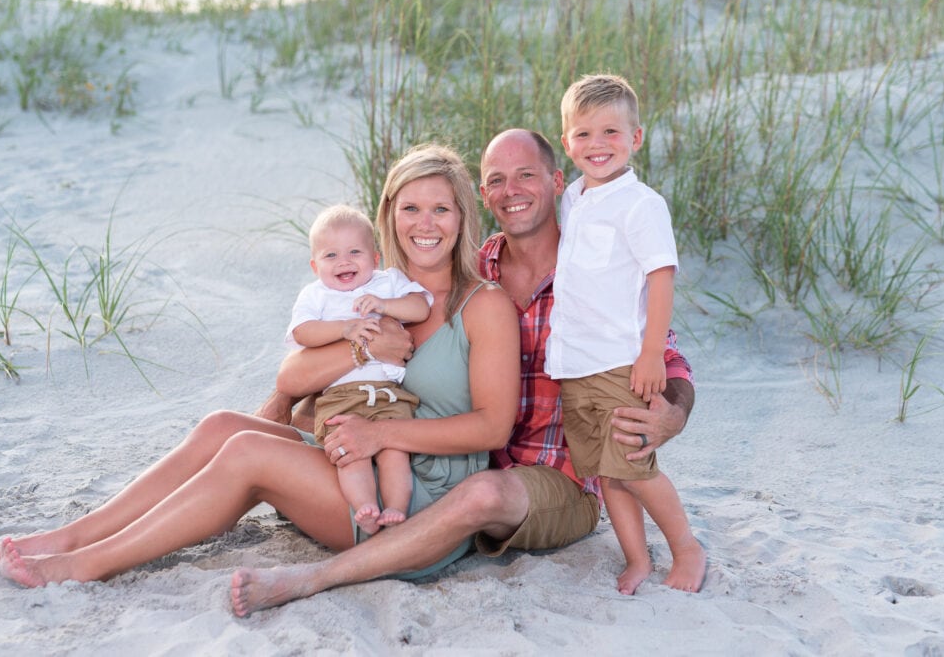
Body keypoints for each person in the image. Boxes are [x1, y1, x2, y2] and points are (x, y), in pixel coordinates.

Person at [0, 143, 520, 589]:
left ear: (461, 216)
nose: (425, 223)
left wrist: (380, 435)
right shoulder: (365, 291)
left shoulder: (483, 305)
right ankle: (65, 538)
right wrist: (365, 348)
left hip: (418, 502)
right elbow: (291, 379)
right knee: (222, 426)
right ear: (388, 216)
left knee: (247, 452)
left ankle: (85, 564)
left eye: (441, 208)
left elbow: (493, 427)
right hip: (356, 459)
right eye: (410, 208)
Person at [229, 127, 698, 616]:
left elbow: (665, 353)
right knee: (259, 428)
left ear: (558, 182)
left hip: (555, 475)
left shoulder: (595, 267)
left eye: (526, 176)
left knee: (483, 492)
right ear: (482, 195)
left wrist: (674, 414)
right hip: (459, 459)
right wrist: (283, 400)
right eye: (497, 180)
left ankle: (313, 579)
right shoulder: (474, 267)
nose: (511, 191)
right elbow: (356, 347)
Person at [549, 73, 705, 594]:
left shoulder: (642, 205)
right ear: (567, 141)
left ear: (636, 138)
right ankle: (636, 559)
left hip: (621, 363)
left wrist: (650, 354)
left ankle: (687, 549)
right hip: (575, 367)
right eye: (584, 134)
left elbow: (660, 277)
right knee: (608, 475)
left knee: (637, 468)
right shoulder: (572, 200)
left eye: (612, 132)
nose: (598, 146)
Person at [290, 204, 432, 534]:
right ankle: (365, 506)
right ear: (315, 265)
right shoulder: (316, 295)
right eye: (330, 256)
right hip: (340, 396)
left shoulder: (387, 282)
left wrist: (384, 306)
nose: (344, 262)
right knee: (349, 454)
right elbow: (302, 332)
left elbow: (420, 307)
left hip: (387, 393)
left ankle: (396, 509)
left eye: (355, 251)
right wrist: (344, 329)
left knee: (395, 450)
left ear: (376, 257)